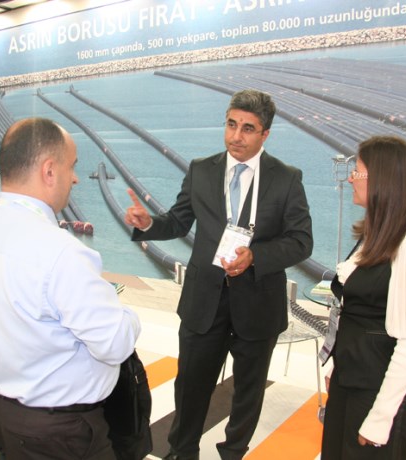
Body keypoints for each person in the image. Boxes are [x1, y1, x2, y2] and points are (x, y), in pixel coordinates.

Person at [125, 89, 313, 460]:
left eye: (247, 128)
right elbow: (177, 221)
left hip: (258, 302)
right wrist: (148, 224)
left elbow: (301, 241)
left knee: (248, 393)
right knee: (190, 387)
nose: (235, 136)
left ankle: (233, 452)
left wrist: (256, 256)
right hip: (204, 300)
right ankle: (183, 451)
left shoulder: (287, 178)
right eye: (231, 125)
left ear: (265, 134)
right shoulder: (200, 169)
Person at [0, 118, 141, 460]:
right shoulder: (62, 253)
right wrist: (127, 315)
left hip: (7, 417)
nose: (75, 178)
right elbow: (114, 344)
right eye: (72, 166)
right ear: (49, 171)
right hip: (65, 434)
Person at [320, 136, 406, 459]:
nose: (351, 178)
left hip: (380, 389)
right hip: (354, 376)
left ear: (384, 180)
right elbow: (359, 313)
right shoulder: (379, 233)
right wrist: (339, 365)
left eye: (357, 172)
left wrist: (380, 418)